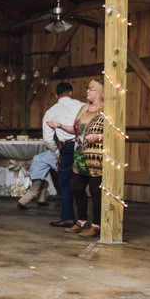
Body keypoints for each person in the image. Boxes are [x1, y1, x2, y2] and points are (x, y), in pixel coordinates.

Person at [50, 80, 104, 238]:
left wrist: (99, 136)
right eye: (88, 89)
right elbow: (76, 131)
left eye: (92, 90)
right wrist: (59, 125)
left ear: (100, 92)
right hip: (79, 155)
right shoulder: (84, 109)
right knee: (76, 187)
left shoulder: (106, 111)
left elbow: (114, 133)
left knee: (96, 191)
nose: (88, 92)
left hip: (95, 157)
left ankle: (96, 225)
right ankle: (81, 221)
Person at [44, 82, 85, 227]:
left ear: (56, 95)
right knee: (84, 182)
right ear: (71, 93)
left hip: (67, 148)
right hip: (84, 146)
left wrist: (57, 154)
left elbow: (48, 139)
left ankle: (68, 217)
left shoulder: (51, 112)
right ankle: (85, 219)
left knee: (65, 184)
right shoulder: (82, 106)